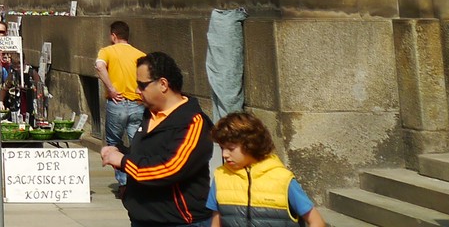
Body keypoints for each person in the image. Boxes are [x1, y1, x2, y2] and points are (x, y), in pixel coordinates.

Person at [100, 52, 213, 227]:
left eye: (142, 85)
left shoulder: (193, 121)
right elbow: (146, 155)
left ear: (163, 84)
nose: (137, 90)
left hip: (178, 221)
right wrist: (120, 152)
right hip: (142, 218)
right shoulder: (149, 115)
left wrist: (123, 161)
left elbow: (170, 168)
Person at [207, 111, 326, 227]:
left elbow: (316, 221)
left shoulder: (282, 179)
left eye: (231, 148)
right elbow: (216, 223)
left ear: (250, 144)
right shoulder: (220, 177)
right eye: (222, 148)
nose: (224, 154)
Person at [98, 21, 149, 194]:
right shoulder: (140, 54)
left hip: (117, 102)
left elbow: (99, 66)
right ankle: (138, 179)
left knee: (114, 143)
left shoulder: (106, 51)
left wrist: (111, 88)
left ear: (113, 36)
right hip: (137, 103)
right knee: (138, 143)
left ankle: (123, 182)